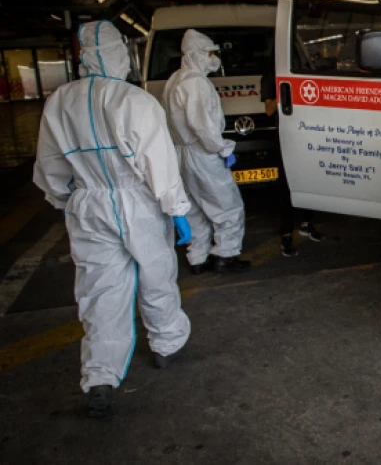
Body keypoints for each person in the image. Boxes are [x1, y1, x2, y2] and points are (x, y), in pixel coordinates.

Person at [34, 21, 193, 418]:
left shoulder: (59, 101)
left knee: (100, 288)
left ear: (84, 56)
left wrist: (64, 198)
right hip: (137, 202)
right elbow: (159, 163)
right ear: (121, 53)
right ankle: (166, 345)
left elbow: (50, 166)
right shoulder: (134, 100)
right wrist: (176, 209)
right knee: (156, 275)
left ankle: (100, 375)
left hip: (88, 204)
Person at [162, 29, 250, 273]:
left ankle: (198, 257)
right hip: (202, 153)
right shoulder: (196, 83)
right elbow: (204, 127)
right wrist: (222, 149)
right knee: (227, 205)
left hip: (180, 153)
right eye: (210, 53)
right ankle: (226, 255)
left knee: (195, 207)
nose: (214, 58)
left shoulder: (175, 80)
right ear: (197, 54)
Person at [260, 50, 323, 258]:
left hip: (305, 133)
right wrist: (285, 90)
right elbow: (268, 110)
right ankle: (286, 235)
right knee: (287, 187)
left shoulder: (304, 74)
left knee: (308, 179)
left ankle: (307, 223)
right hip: (285, 137)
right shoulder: (271, 76)